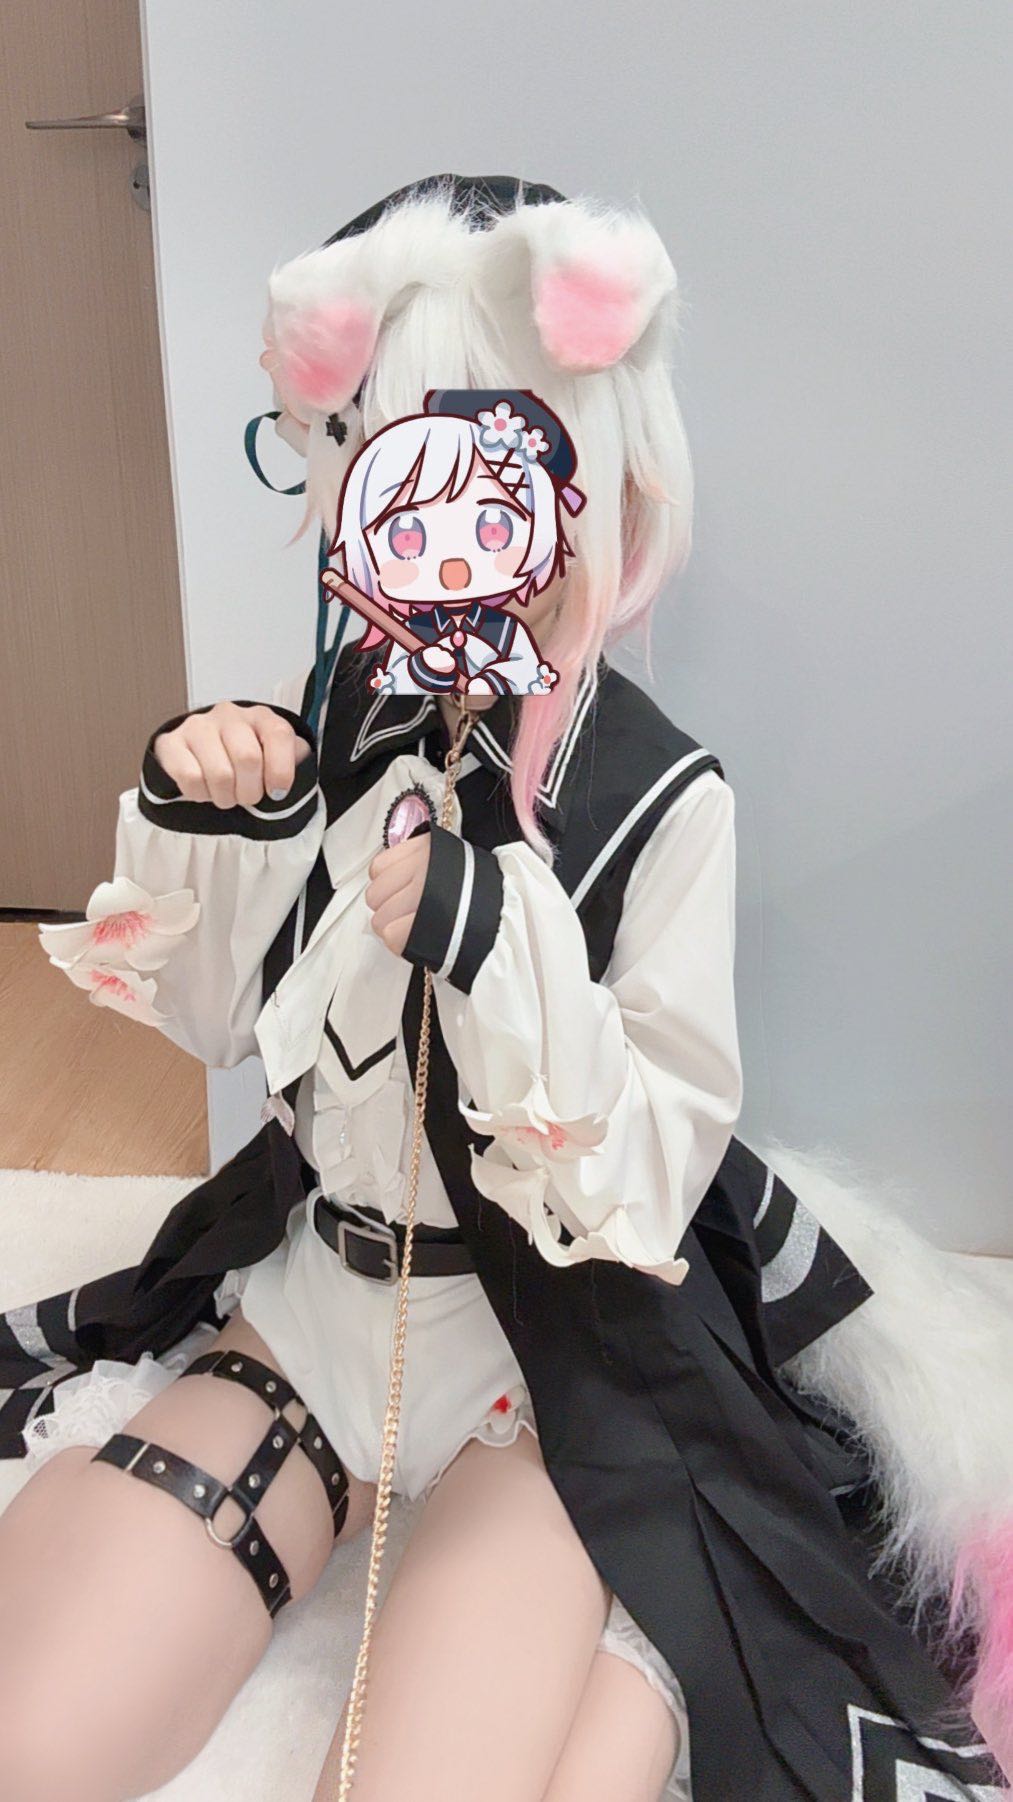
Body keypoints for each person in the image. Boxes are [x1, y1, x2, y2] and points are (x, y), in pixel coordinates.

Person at [0, 173, 1009, 1802]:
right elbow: (219, 1024)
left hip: (545, 1353)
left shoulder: (659, 798)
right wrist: (212, 817)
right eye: (379, 474)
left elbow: (639, 1176)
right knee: (33, 1736)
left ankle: (638, 1653)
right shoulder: (330, 723)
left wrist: (494, 941)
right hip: (313, 1302)